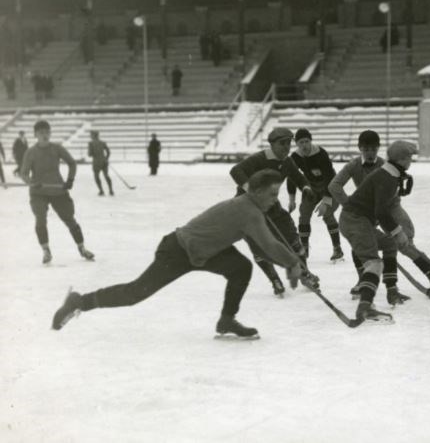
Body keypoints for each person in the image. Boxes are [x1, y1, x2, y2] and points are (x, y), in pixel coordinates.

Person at [50, 170, 305, 338]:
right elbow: (269, 245)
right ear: (257, 192)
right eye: (272, 194)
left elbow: (264, 247)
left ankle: (227, 320)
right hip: (178, 250)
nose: (275, 200)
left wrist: (290, 264)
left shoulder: (249, 208)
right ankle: (78, 301)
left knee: (241, 267)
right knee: (135, 293)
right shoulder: (249, 212)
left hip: (206, 252)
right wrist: (293, 263)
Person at [328, 132, 430, 304]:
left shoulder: (387, 165)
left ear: (379, 149)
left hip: (390, 208)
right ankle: (365, 281)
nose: (370, 153)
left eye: (373, 149)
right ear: (360, 149)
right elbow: (334, 186)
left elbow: (389, 202)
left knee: (405, 245)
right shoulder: (355, 165)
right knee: (362, 244)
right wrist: (351, 206)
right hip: (367, 213)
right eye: (366, 149)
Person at [230, 127, 317, 297]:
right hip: (247, 206)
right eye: (282, 143)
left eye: (289, 143)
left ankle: (304, 274)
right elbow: (236, 171)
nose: (286, 147)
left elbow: (298, 177)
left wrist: (306, 188)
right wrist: (250, 189)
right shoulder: (260, 158)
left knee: (292, 237)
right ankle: (275, 280)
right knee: (259, 244)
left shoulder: (287, 161)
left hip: (270, 204)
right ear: (272, 145)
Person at [20, 120, 95, 264]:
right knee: (40, 220)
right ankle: (46, 251)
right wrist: (32, 183)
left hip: (58, 190)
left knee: (70, 220)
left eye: (47, 132)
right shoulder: (31, 152)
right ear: (35, 134)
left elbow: (72, 163)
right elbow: (24, 173)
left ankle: (82, 248)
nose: (44, 135)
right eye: (41, 133)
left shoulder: (57, 148)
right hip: (38, 193)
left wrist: (70, 180)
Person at [287, 128, 344, 262]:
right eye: (301, 142)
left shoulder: (320, 153)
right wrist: (292, 199)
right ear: (296, 144)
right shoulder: (295, 157)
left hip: (330, 185)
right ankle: (304, 248)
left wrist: (326, 200)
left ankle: (337, 248)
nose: (304, 145)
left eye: (307, 141)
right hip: (311, 186)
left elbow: (330, 177)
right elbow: (291, 177)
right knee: (304, 214)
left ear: (311, 141)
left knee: (327, 214)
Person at [87, 130, 113, 196]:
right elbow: (108, 152)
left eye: (91, 135)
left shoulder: (90, 143)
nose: (90, 136)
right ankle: (111, 190)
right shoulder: (103, 142)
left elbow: (89, 154)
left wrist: (92, 152)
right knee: (106, 176)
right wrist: (106, 159)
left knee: (96, 176)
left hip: (96, 162)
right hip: (104, 161)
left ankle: (101, 191)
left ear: (93, 135)